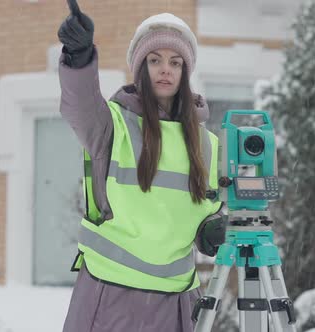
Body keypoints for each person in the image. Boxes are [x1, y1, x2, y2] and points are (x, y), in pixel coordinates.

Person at [57, 1, 226, 331]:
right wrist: (79, 57)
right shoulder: (112, 125)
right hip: (110, 297)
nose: (166, 69)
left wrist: (212, 228)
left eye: (175, 62)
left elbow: (207, 208)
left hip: (175, 301)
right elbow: (78, 105)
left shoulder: (206, 143)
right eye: (155, 60)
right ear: (140, 67)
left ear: (185, 72)